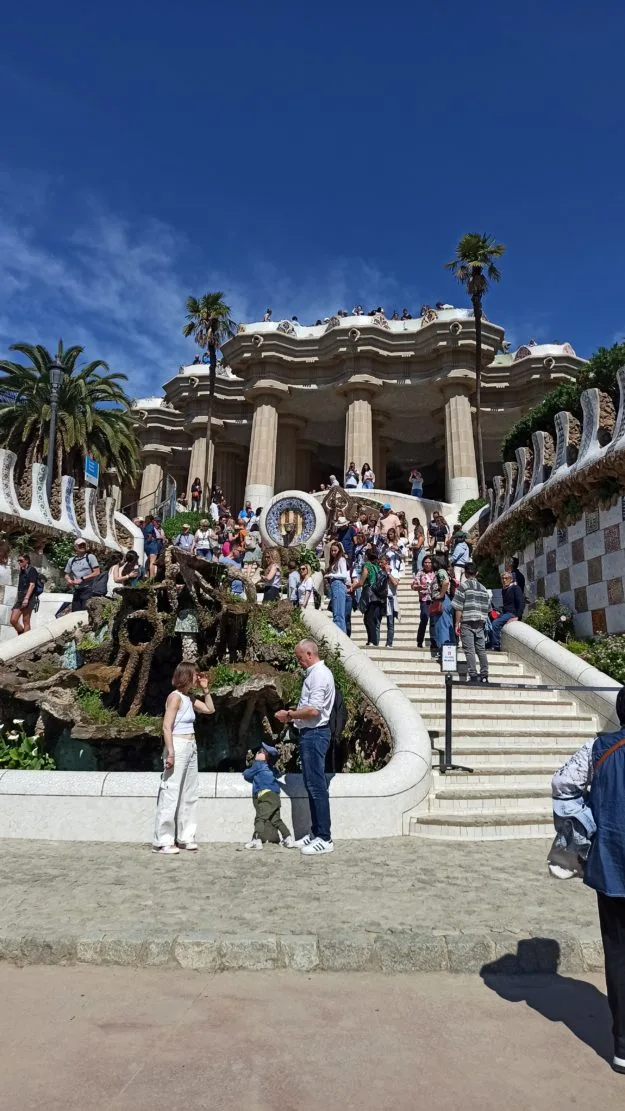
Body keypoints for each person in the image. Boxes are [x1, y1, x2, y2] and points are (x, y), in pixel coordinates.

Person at [550, 687, 625, 1074]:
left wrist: (586, 825)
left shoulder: (599, 749)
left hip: (612, 861)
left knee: (617, 953)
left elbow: (563, 786)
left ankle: (622, 1045)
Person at [275, 638, 336, 855]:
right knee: (311, 785)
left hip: (315, 734)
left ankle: (325, 838)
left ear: (309, 654)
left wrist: (289, 715)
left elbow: (314, 711)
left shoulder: (319, 675)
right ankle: (315, 832)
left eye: (300, 658)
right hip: (310, 733)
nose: (299, 662)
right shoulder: (315, 674)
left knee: (317, 786)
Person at [152, 663, 215, 854]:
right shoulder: (175, 697)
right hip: (178, 745)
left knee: (190, 792)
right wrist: (170, 752)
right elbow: (166, 726)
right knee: (171, 791)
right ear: (187, 675)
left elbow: (210, 709)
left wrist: (205, 689)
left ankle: (186, 836)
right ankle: (162, 841)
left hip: (191, 745)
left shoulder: (189, 698)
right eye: (195, 675)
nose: (198, 677)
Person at [243, 743, 294, 849]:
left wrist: (246, 771)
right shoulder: (271, 768)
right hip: (275, 796)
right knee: (276, 820)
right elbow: (278, 774)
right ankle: (288, 838)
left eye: (260, 752)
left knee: (260, 818)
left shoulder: (258, 765)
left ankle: (256, 840)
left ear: (264, 755)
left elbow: (247, 775)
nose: (257, 753)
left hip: (265, 795)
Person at [452, 562, 490, 683]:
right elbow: (488, 608)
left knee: (470, 650)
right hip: (480, 621)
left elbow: (459, 607)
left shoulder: (463, 587)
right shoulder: (483, 589)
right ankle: (484, 675)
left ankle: (473, 675)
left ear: (465, 573)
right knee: (481, 649)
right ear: (476, 573)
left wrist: (457, 623)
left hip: (467, 621)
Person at [352, 546, 387, 648]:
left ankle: (372, 641)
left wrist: (353, 586)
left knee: (368, 619)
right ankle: (371, 640)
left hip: (369, 594)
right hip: (378, 595)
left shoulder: (367, 565)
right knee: (371, 618)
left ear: (366, 556)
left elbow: (362, 582)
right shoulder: (377, 566)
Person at [64, 539, 102, 610]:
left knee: (85, 614)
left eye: (83, 545)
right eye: (80, 545)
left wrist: (82, 579)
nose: (82, 546)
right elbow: (66, 574)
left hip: (89, 589)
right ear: (75, 547)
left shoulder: (90, 557)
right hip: (77, 591)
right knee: (75, 614)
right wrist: (69, 580)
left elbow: (97, 572)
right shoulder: (71, 560)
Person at [491, 570, 525, 650]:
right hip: (505, 613)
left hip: (512, 613)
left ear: (511, 579)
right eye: (502, 578)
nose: (504, 580)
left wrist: (518, 616)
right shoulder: (504, 590)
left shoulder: (515, 588)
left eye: (506, 578)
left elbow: (521, 602)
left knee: (495, 624)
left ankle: (496, 646)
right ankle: (492, 642)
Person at [429, 560, 455, 660]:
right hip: (446, 602)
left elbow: (446, 582)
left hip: (442, 602)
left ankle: (444, 653)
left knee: (442, 628)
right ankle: (449, 652)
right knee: (447, 626)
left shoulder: (440, 571)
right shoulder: (444, 571)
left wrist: (441, 595)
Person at [324, 541, 350, 635]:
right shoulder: (334, 561)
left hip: (338, 584)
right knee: (336, 613)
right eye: (332, 551)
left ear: (339, 550)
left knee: (338, 614)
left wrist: (331, 575)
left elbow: (344, 575)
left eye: (335, 550)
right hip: (334, 585)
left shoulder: (341, 559)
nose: (333, 552)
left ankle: (340, 636)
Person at [10, 553, 39, 635]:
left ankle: (25, 640)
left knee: (26, 621)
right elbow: (20, 587)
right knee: (13, 620)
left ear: (27, 561)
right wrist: (17, 599)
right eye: (18, 561)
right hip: (20, 597)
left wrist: (26, 598)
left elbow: (32, 585)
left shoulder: (32, 570)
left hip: (29, 597)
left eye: (21, 560)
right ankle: (22, 633)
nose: (19, 562)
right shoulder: (22, 571)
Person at [412, 554, 436, 650]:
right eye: (425, 562)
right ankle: (419, 641)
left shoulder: (436, 572)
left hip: (434, 599)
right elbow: (413, 586)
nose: (427, 564)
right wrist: (419, 587)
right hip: (424, 599)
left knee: (433, 621)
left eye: (429, 562)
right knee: (424, 619)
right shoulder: (420, 573)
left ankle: (434, 642)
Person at [381, 552, 401, 648]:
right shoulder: (379, 572)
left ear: (388, 562)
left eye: (383, 563)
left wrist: (388, 573)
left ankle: (389, 642)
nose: (381, 565)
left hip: (390, 598)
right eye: (380, 563)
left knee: (390, 621)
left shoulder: (394, 571)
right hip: (380, 597)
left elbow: (395, 583)